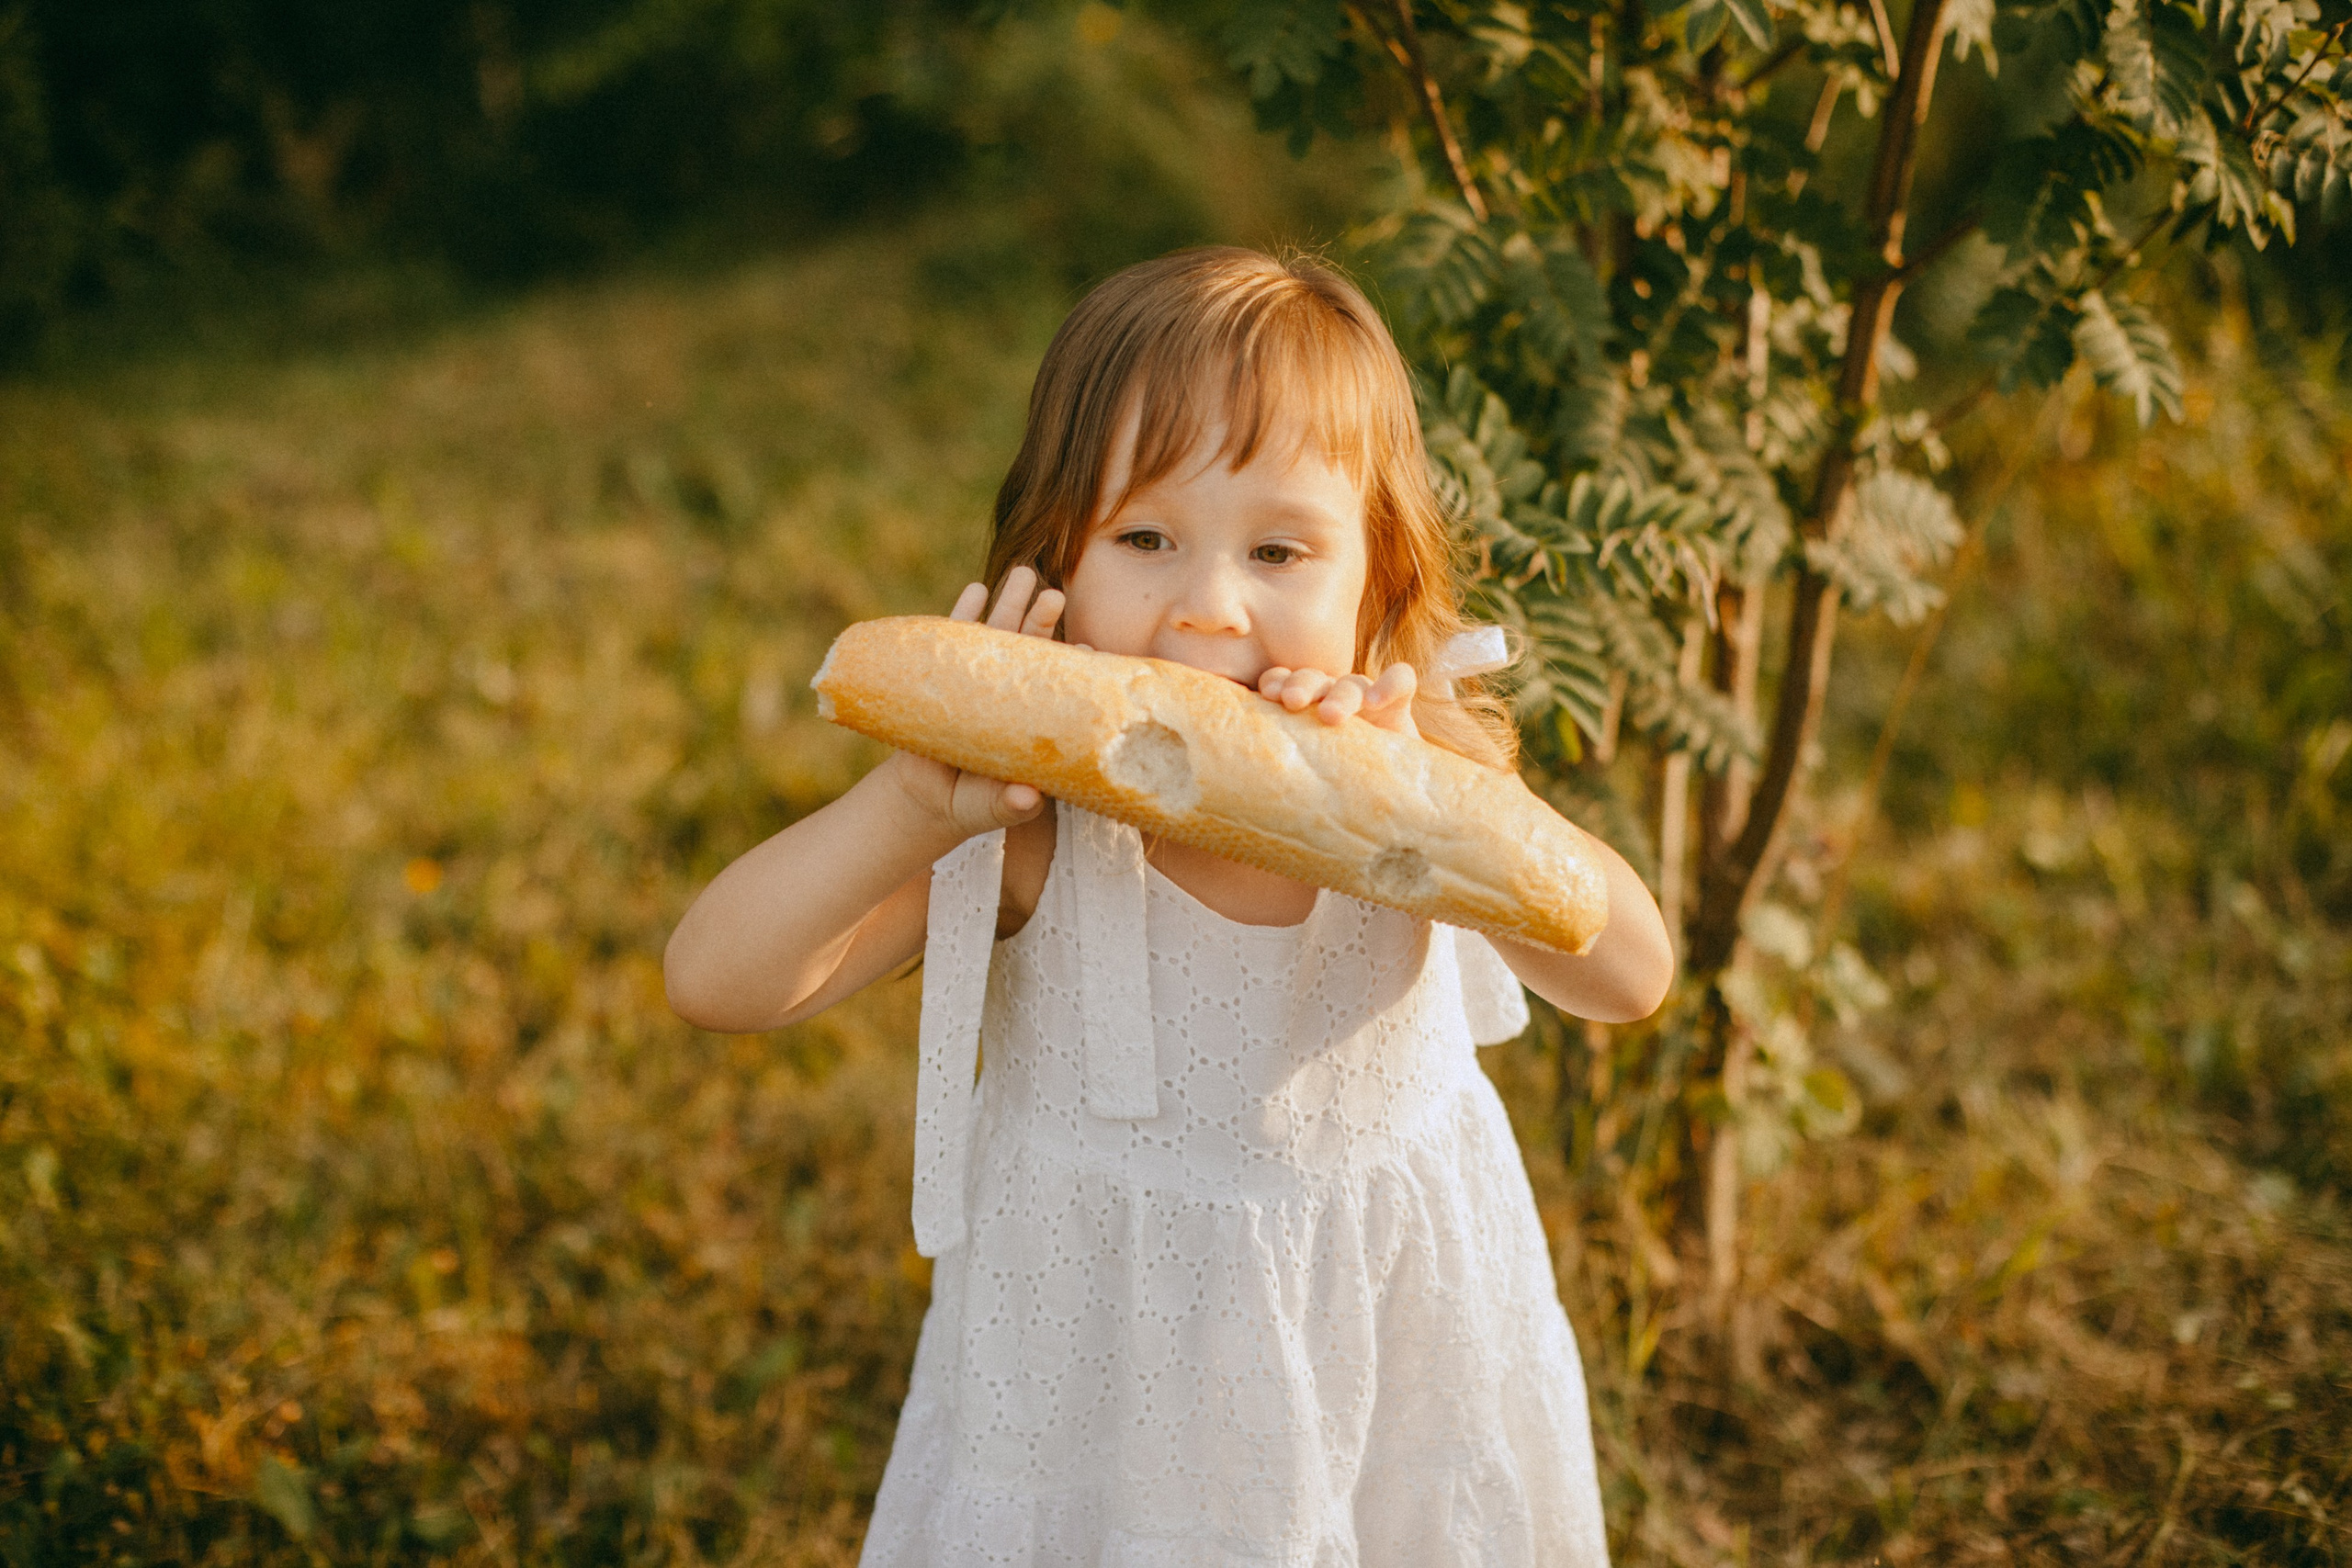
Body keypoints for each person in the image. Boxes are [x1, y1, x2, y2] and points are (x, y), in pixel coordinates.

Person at [665, 248, 1674, 1565]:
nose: (1208, 610)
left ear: (1376, 581)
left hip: (1386, 1344)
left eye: (1279, 551)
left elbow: (1632, 974)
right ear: (1056, 564)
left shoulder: (1417, 769)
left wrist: (1452, 797)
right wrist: (911, 803)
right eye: (1145, 540)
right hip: (1105, 1376)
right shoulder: (1030, 827)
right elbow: (717, 979)